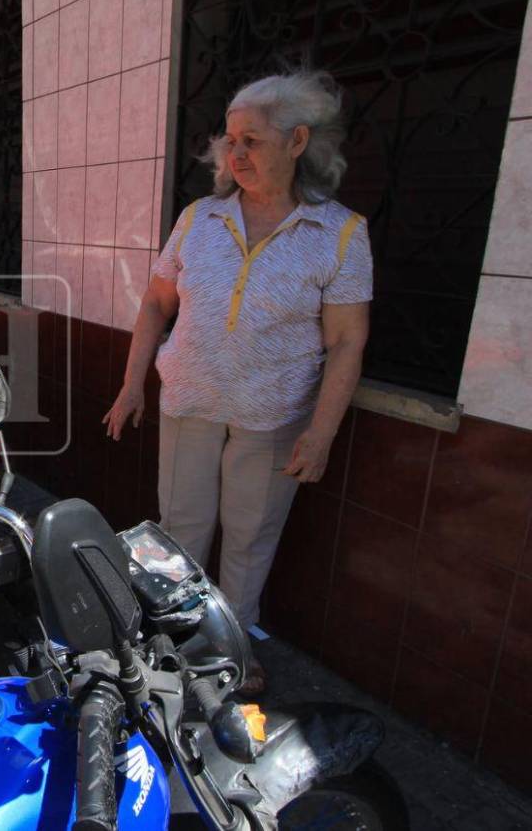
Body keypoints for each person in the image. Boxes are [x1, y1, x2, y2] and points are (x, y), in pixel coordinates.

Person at [102, 71, 372, 694]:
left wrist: (322, 433)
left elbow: (346, 342)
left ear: (298, 141)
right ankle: (172, 639)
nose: (236, 154)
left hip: (272, 416)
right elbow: (157, 303)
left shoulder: (340, 233)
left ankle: (232, 649)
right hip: (189, 400)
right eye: (230, 141)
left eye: (252, 140)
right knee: (180, 529)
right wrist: (131, 384)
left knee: (250, 539)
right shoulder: (200, 218)